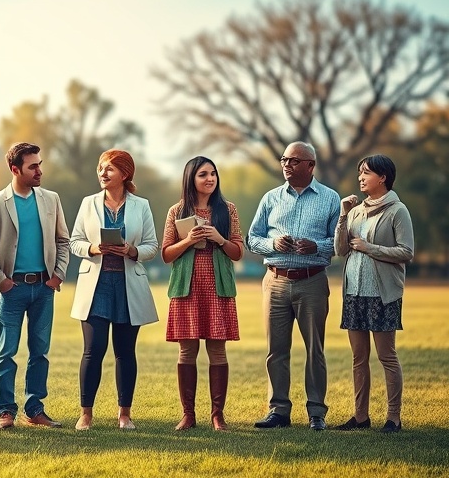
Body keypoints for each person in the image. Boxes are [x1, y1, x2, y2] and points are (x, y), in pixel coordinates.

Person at [0, 142, 70, 430]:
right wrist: (0, 280)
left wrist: (58, 276)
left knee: (40, 351)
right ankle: (5, 411)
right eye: (33, 166)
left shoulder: (51, 199)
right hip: (10, 290)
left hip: (44, 288)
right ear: (15, 169)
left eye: (39, 164)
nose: (39, 170)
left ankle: (35, 408)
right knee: (7, 352)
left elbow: (62, 241)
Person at [247, 142, 340, 431]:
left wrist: (317, 246)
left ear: (311, 165)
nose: (286, 164)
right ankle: (278, 411)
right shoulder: (271, 198)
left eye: (294, 161)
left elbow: (338, 243)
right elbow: (252, 238)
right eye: (284, 159)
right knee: (276, 350)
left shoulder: (330, 199)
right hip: (275, 281)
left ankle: (316, 413)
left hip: (312, 281)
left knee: (315, 349)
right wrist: (272, 244)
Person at [69, 149, 158, 431]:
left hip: (127, 285)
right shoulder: (88, 203)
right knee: (93, 350)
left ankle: (124, 414)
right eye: (100, 168)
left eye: (109, 169)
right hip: (95, 285)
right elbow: (74, 242)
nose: (102, 173)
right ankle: (86, 414)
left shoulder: (141, 206)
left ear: (125, 174)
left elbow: (152, 246)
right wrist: (94, 248)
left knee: (125, 352)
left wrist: (132, 250)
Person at [161, 156, 243, 431]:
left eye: (213, 174)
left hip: (217, 288)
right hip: (187, 288)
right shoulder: (176, 211)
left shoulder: (227, 210)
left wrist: (219, 239)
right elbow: (166, 255)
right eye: (203, 174)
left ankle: (217, 415)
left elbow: (238, 252)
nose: (210, 179)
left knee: (217, 351)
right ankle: (188, 415)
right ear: (191, 179)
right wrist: (189, 240)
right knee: (187, 351)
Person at [333, 155, 414, 434]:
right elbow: (340, 250)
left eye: (366, 173)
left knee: (386, 356)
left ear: (383, 177)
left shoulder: (397, 210)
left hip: (382, 294)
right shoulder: (355, 210)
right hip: (354, 292)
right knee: (358, 358)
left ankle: (393, 418)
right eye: (360, 172)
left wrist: (370, 248)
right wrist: (343, 215)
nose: (360, 177)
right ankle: (360, 416)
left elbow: (407, 252)